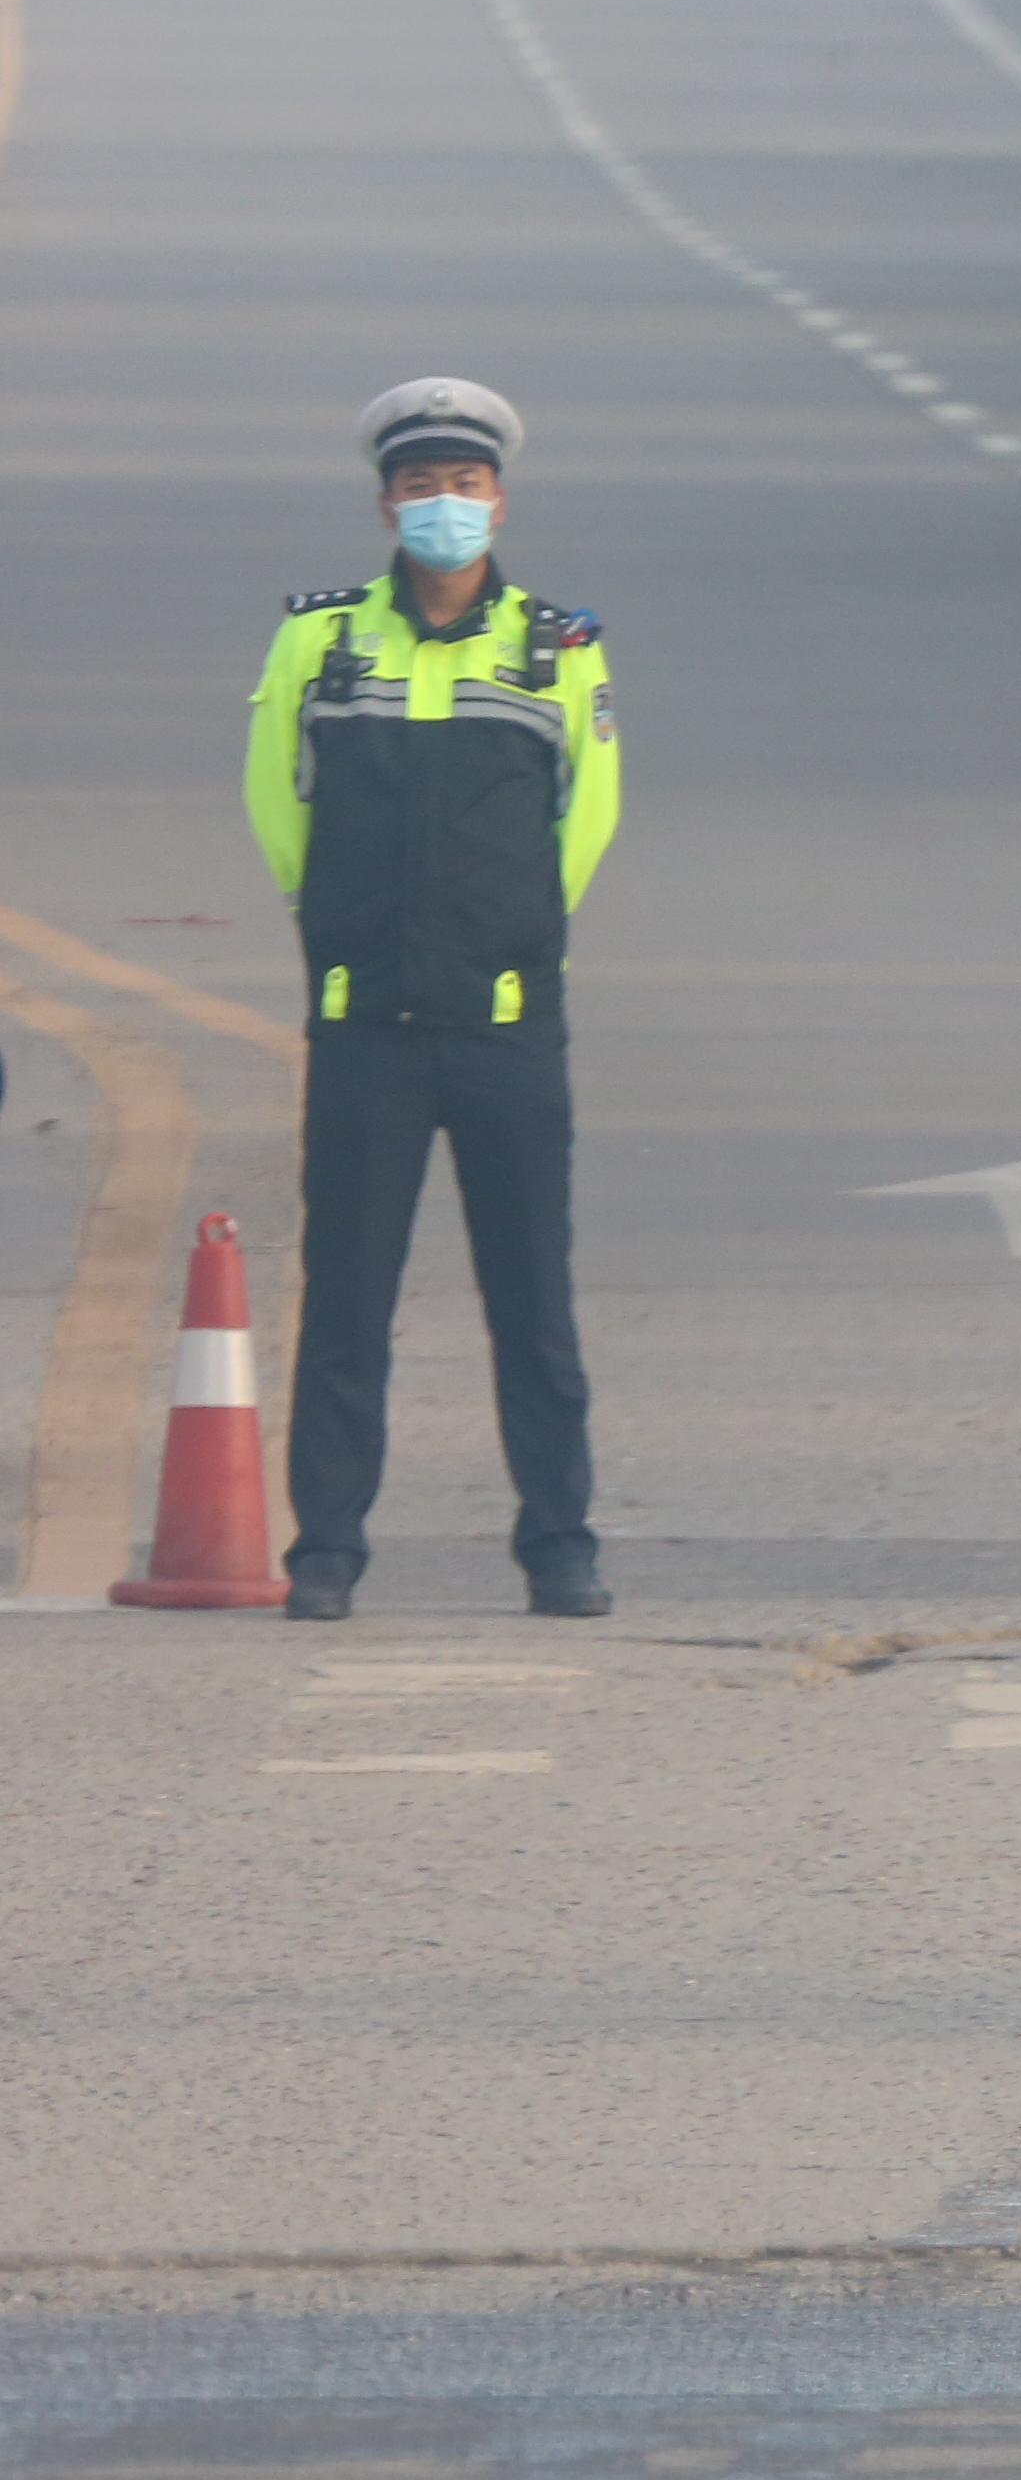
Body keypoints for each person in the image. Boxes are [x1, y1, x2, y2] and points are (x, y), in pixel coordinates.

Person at [246, 382, 621, 1623]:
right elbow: (274, 801)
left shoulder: (562, 644)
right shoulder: (318, 638)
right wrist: (340, 937)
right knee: (347, 1301)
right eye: (421, 486)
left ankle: (560, 1543)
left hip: (510, 1025)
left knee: (534, 1303)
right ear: (384, 502)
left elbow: (589, 816)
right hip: (365, 1030)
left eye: (465, 485)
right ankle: (327, 1552)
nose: (444, 506)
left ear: (500, 497)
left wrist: (511, 942)